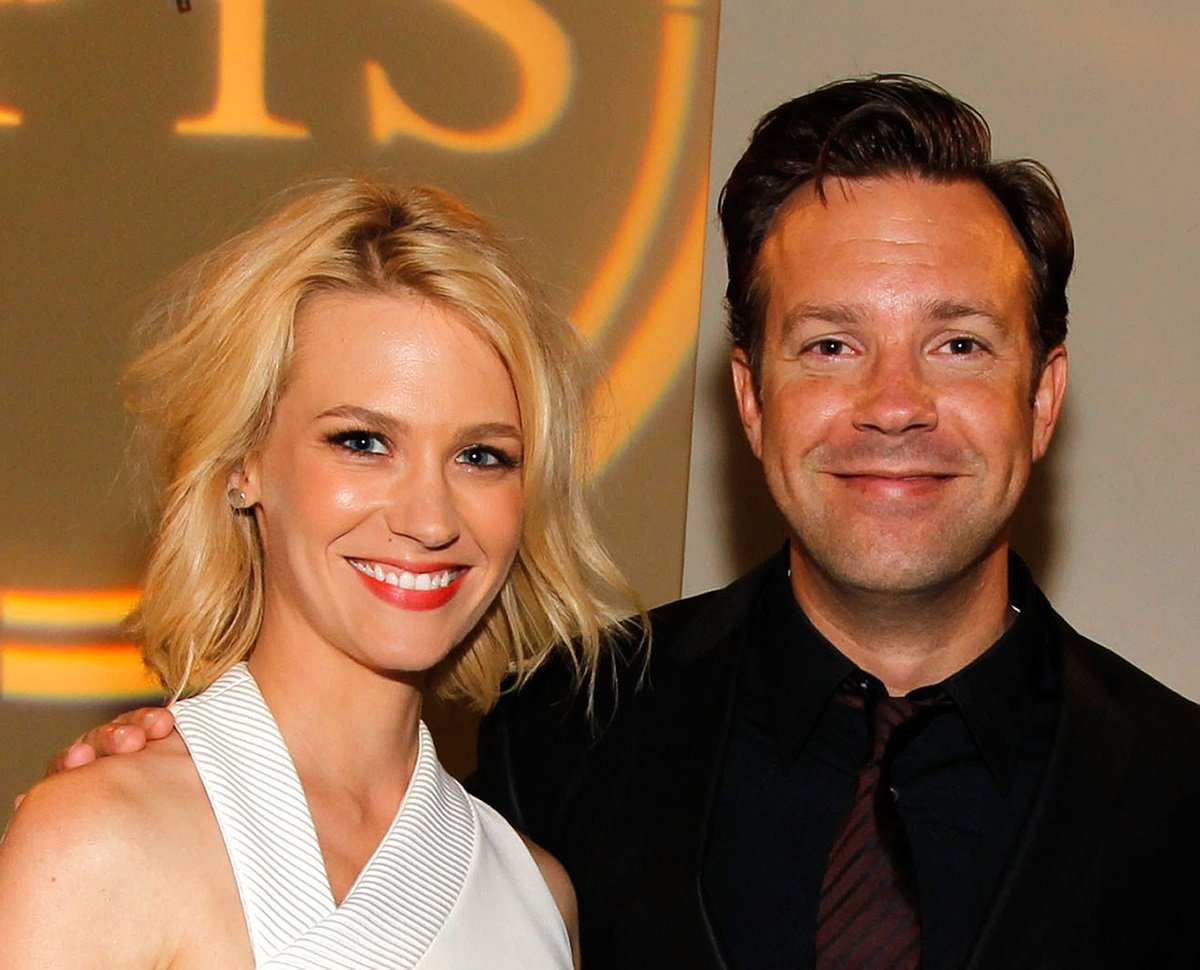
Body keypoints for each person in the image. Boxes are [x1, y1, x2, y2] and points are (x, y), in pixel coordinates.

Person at [38, 76, 1200, 969]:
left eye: (957, 344)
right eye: (831, 344)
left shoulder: (1178, 793)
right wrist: (183, 779)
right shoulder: (566, 735)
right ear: (749, 394)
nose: (893, 404)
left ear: (1043, 395)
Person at [0, 178, 637, 967]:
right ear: (243, 464)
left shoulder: (539, 897)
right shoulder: (101, 841)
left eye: (482, 456)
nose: (431, 520)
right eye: (363, 442)